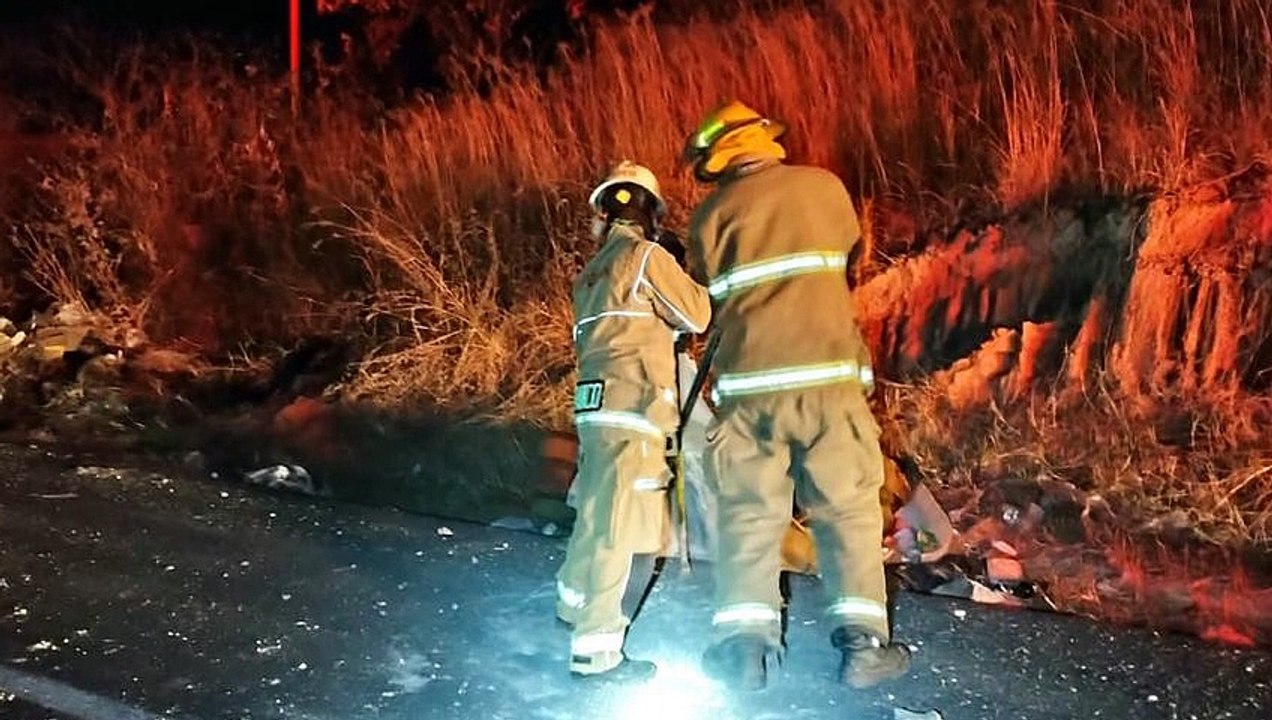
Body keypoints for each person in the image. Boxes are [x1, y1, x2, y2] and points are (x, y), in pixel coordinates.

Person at [681, 101, 912, 691]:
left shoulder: (709, 217)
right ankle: (863, 647)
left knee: (748, 517)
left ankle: (743, 652)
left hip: (750, 393)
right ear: (764, 140)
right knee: (848, 512)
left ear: (718, 159)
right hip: (828, 384)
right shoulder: (823, 188)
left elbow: (709, 292)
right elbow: (846, 252)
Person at [555, 161, 711, 680]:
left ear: (604, 212)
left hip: (595, 407)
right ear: (651, 214)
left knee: (597, 510)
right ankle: (595, 650)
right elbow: (697, 315)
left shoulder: (590, 274)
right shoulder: (646, 257)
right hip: (636, 410)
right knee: (619, 526)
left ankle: (571, 604)